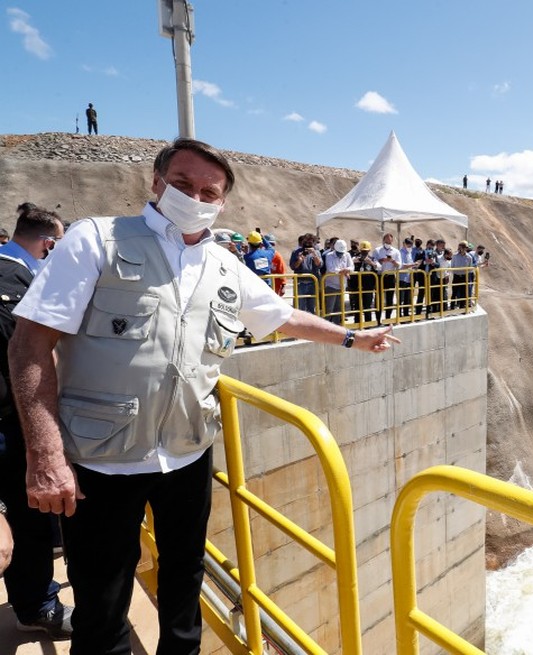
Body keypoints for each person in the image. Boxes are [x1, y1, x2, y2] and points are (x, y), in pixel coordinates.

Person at [7, 137, 399, 655]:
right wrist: (46, 452)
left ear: (221, 204)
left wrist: (352, 337)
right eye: (183, 184)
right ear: (155, 183)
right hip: (101, 460)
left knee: (184, 580)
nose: (194, 197)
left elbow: (282, 317)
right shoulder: (95, 241)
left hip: (187, 454)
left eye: (208, 192)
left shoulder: (223, 265)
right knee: (102, 602)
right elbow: (31, 344)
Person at [0, 202, 71, 640]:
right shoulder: (11, 282)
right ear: (48, 244)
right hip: (9, 423)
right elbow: (28, 356)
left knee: (32, 523)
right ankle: (38, 604)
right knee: (25, 526)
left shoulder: (16, 273)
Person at [290, 233, 322, 315]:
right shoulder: (296, 252)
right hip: (300, 283)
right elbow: (293, 267)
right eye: (306, 241)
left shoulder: (317, 252)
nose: (307, 243)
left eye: (310, 242)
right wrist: (299, 260)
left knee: (312, 307)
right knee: (300, 308)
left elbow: (320, 265)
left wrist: (314, 255)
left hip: (313, 283)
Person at [322, 238, 352, 324]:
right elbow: (331, 268)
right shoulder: (329, 255)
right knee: (329, 308)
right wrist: (343, 271)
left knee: (339, 308)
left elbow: (351, 267)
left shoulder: (347, 255)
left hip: (342, 285)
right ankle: (325, 326)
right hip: (331, 285)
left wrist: (347, 269)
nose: (340, 254)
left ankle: (336, 326)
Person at [373, 233, 402, 322]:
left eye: (390, 240)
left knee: (390, 298)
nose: (388, 242)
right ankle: (378, 319)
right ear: (383, 240)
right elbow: (374, 263)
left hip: (390, 276)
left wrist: (393, 261)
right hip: (380, 276)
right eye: (387, 240)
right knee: (378, 298)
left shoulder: (396, 251)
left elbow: (399, 265)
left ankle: (388, 319)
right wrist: (382, 260)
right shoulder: (377, 250)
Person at [351, 240, 380, 325]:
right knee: (357, 306)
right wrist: (356, 261)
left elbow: (379, 267)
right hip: (356, 286)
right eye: (363, 251)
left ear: (369, 251)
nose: (364, 253)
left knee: (367, 306)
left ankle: (368, 323)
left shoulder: (372, 259)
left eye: (366, 251)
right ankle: (357, 323)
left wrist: (371, 263)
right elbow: (348, 264)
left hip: (368, 286)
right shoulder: (355, 258)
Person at [450, 241, 473, 310]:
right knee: (454, 292)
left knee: (463, 292)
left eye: (464, 248)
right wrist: (457, 271)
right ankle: (452, 306)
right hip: (456, 276)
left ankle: (462, 307)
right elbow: (452, 266)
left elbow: (470, 268)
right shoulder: (455, 256)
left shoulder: (469, 257)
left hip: (464, 276)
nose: (462, 249)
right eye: (461, 247)